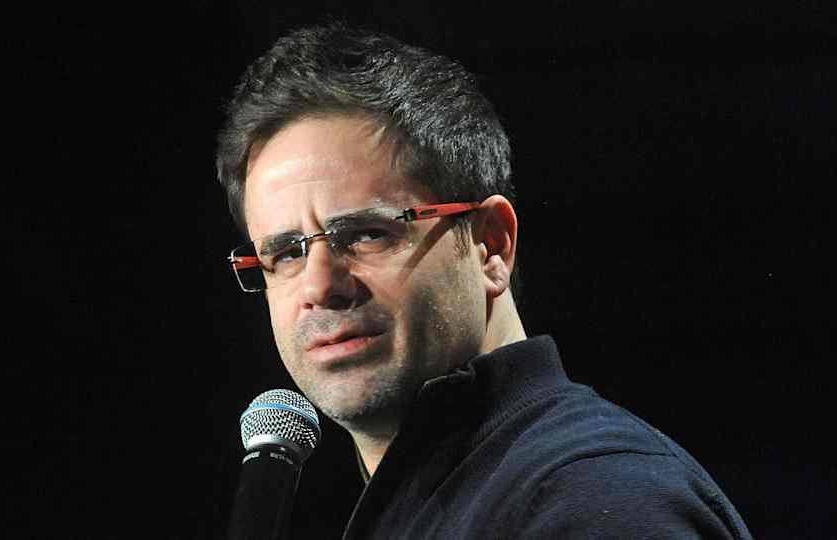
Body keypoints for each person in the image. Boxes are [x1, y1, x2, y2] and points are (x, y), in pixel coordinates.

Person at [216, 22, 753, 539]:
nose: (317, 287)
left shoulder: (594, 501)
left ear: (490, 245)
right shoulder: (441, 502)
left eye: (365, 234)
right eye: (285, 253)